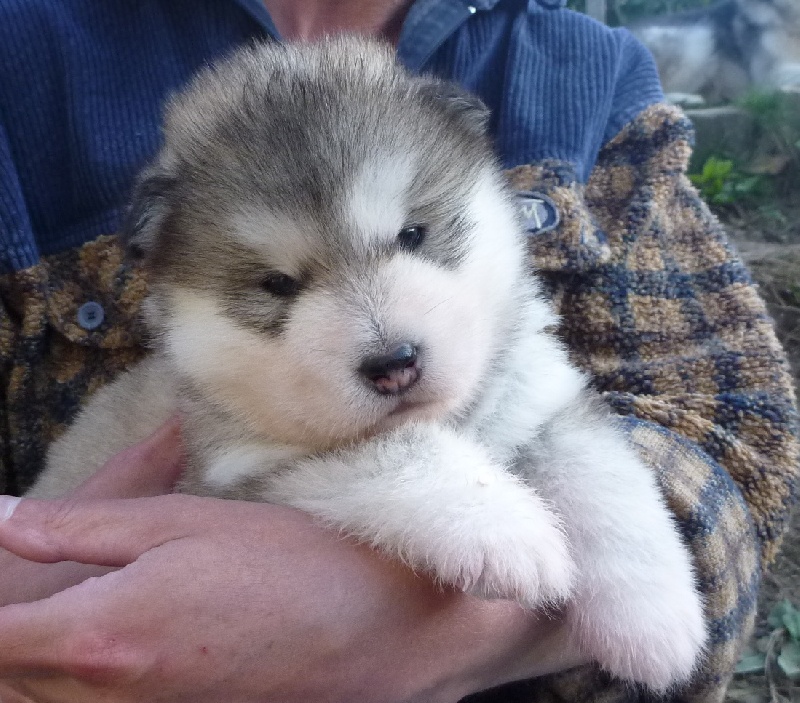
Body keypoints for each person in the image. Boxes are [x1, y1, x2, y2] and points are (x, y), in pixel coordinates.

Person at [0, 1, 796, 701]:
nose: (384, 343)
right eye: (278, 285)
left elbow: (741, 448)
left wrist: (566, 590)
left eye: (412, 237)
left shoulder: (583, 70)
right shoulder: (26, 46)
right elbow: (254, 467)